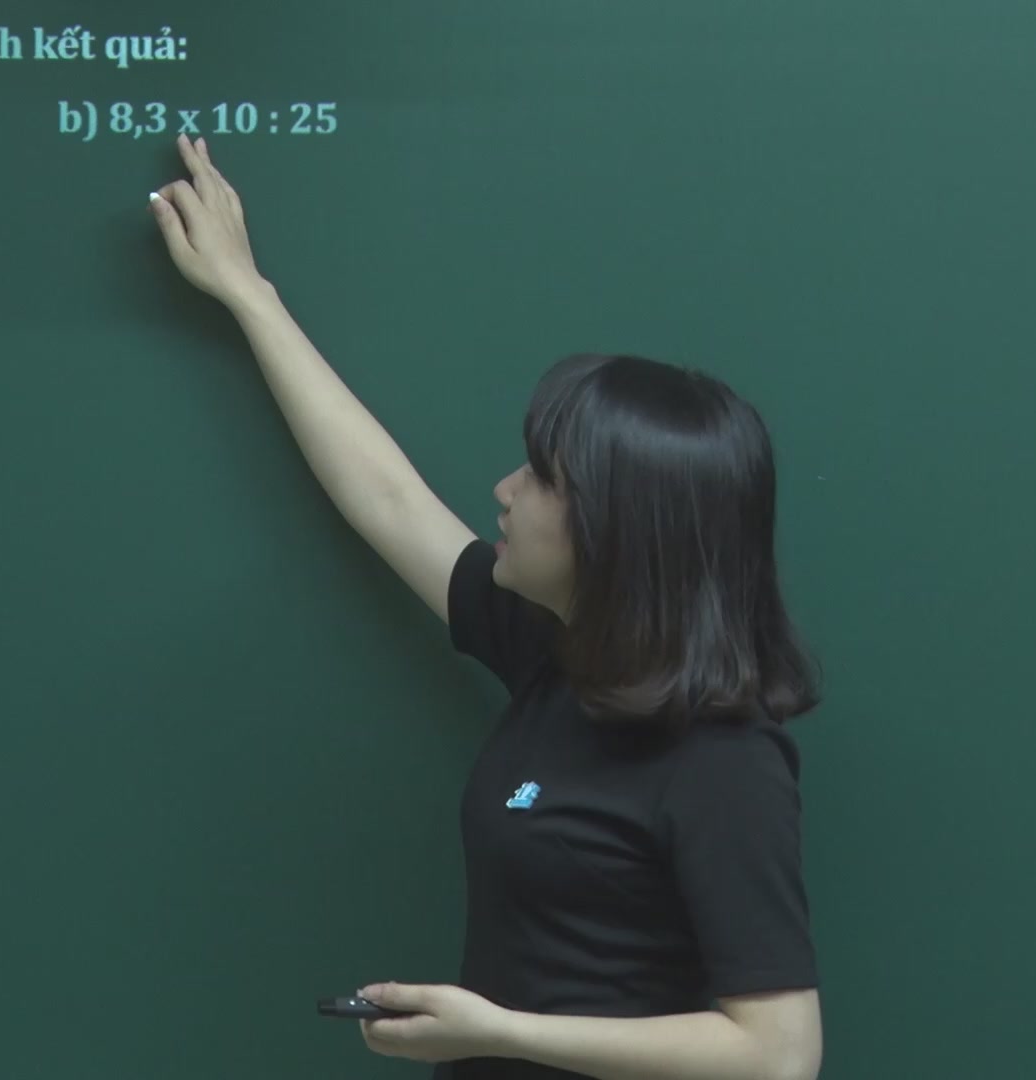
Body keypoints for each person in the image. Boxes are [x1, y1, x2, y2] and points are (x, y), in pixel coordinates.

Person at [148, 134, 825, 1080]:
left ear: (616, 531)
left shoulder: (722, 758)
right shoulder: (559, 654)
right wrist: (247, 293)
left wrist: (503, 1031)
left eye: (541, 478)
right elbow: (388, 499)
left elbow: (779, 1055)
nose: (505, 490)